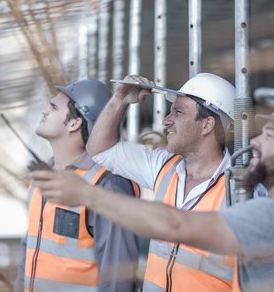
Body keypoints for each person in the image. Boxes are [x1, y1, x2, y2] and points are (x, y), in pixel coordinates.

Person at [31, 102, 274, 292]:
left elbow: (176, 224)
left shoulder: (272, 215)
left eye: (271, 135)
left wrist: (89, 194)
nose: (255, 143)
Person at [85, 73, 237, 291]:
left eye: (178, 111)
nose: (167, 120)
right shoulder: (163, 167)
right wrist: (120, 100)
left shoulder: (242, 191)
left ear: (207, 124)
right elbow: (100, 150)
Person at [14, 79, 139, 292]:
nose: (44, 110)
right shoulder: (42, 176)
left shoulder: (106, 183)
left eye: (53, 107)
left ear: (75, 123)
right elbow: (30, 249)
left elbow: (118, 275)